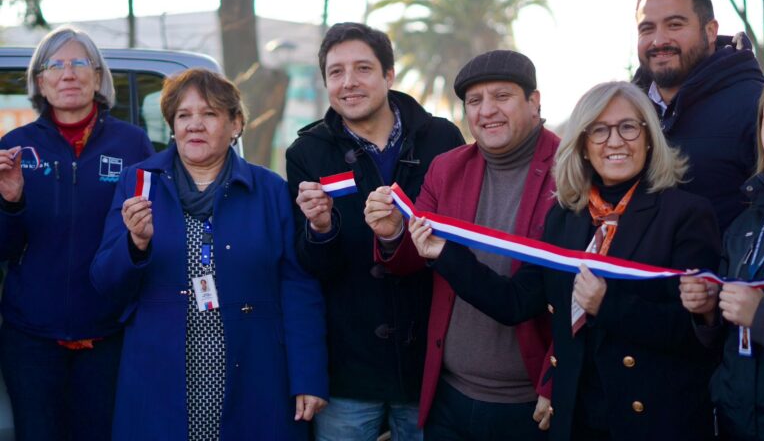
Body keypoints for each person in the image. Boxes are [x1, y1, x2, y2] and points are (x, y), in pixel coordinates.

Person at [407, 81, 721, 440]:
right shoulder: (565, 216)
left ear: (649, 137)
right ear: (584, 146)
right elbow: (514, 303)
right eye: (599, 130)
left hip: (652, 422)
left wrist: (609, 305)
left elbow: (700, 336)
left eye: (629, 127)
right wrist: (443, 254)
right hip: (577, 419)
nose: (614, 141)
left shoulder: (687, 214)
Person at [91, 68, 328, 440]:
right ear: (171, 125)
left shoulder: (269, 190)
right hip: (159, 374)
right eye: (183, 115)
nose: (194, 125)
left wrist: (308, 376)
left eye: (210, 114)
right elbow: (105, 282)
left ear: (236, 124)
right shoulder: (139, 183)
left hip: (254, 370)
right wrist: (134, 244)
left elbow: (298, 287)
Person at [365, 50, 557, 440]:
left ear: (534, 102)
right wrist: (391, 234)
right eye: (475, 101)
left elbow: (574, 295)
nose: (487, 111)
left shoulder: (570, 169)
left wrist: (556, 383)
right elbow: (415, 259)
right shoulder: (447, 168)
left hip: (529, 404)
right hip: (448, 395)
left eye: (501, 96)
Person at [286, 22, 464, 440]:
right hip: (349, 374)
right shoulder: (307, 153)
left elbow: (459, 242)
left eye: (363, 69)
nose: (348, 83)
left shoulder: (441, 138)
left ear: (388, 75)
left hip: (430, 365)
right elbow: (312, 268)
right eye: (336, 72)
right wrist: (320, 227)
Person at [0, 26, 154, 440]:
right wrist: (11, 202)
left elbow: (152, 241)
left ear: (98, 76)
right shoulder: (15, 148)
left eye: (79, 63)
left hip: (108, 336)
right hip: (30, 339)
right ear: (40, 81)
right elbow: (4, 248)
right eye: (56, 65)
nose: (68, 74)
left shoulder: (133, 144)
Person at [633, 0, 764, 232]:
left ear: (710, 31)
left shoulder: (755, 105)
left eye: (675, 25)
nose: (659, 40)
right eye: (647, 28)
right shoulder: (624, 110)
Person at [681, 84, 764, 440]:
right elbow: (725, 337)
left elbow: (754, 314)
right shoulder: (745, 223)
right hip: (736, 422)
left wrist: (761, 316)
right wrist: (706, 310)